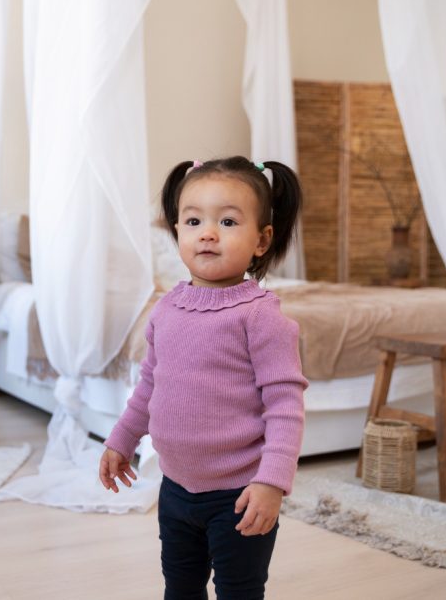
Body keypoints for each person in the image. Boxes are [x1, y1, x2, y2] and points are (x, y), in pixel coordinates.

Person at [99, 156, 308, 599]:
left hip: (239, 494)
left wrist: (272, 481)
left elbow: (285, 407)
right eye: (193, 220)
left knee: (239, 591)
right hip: (175, 489)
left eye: (228, 221)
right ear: (177, 230)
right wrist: (121, 440)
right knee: (180, 587)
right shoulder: (167, 309)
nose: (208, 232)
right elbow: (149, 387)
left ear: (261, 239)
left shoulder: (259, 316)